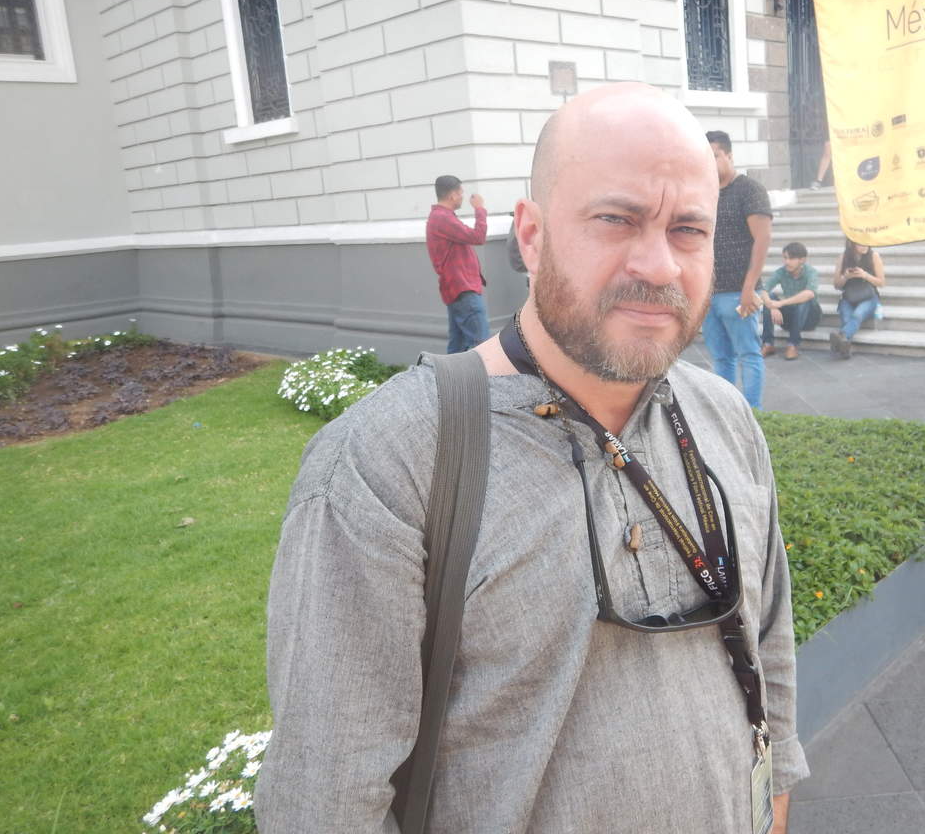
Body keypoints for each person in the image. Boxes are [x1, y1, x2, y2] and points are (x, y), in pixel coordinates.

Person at [256, 83, 808, 833]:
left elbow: (768, 637)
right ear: (532, 234)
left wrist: (775, 796)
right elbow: (326, 797)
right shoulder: (391, 462)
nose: (659, 265)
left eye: (688, 229)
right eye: (616, 219)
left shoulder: (725, 418)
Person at [704, 130, 773, 409]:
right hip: (709, 293)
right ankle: (727, 412)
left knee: (749, 354)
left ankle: (754, 413)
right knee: (721, 357)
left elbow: (763, 239)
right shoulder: (703, 192)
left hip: (739, 292)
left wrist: (749, 287)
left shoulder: (750, 190)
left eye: (715, 156)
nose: (710, 163)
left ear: (729, 155)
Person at [425, 174, 489, 353]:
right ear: (453, 195)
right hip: (463, 289)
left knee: (458, 347)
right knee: (481, 346)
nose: (462, 197)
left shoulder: (441, 217)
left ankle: (448, 374)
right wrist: (480, 209)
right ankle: (479, 374)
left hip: (457, 289)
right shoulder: (442, 218)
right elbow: (478, 236)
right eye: (461, 193)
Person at [760, 241, 822, 360]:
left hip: (809, 318)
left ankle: (793, 345)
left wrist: (780, 303)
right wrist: (772, 306)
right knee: (770, 296)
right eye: (785, 258)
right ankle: (768, 344)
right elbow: (763, 290)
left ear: (802, 260)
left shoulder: (811, 272)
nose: (787, 262)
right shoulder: (781, 271)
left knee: (805, 299)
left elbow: (809, 294)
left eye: (791, 258)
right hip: (790, 318)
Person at [830, 239, 885, 359]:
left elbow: (881, 282)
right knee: (846, 318)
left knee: (857, 315)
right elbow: (836, 285)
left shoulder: (874, 256)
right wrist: (845, 277)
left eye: (867, 242)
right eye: (860, 242)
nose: (865, 246)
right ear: (851, 243)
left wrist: (865, 275)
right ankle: (845, 348)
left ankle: (841, 338)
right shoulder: (843, 257)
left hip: (869, 297)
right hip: (849, 297)